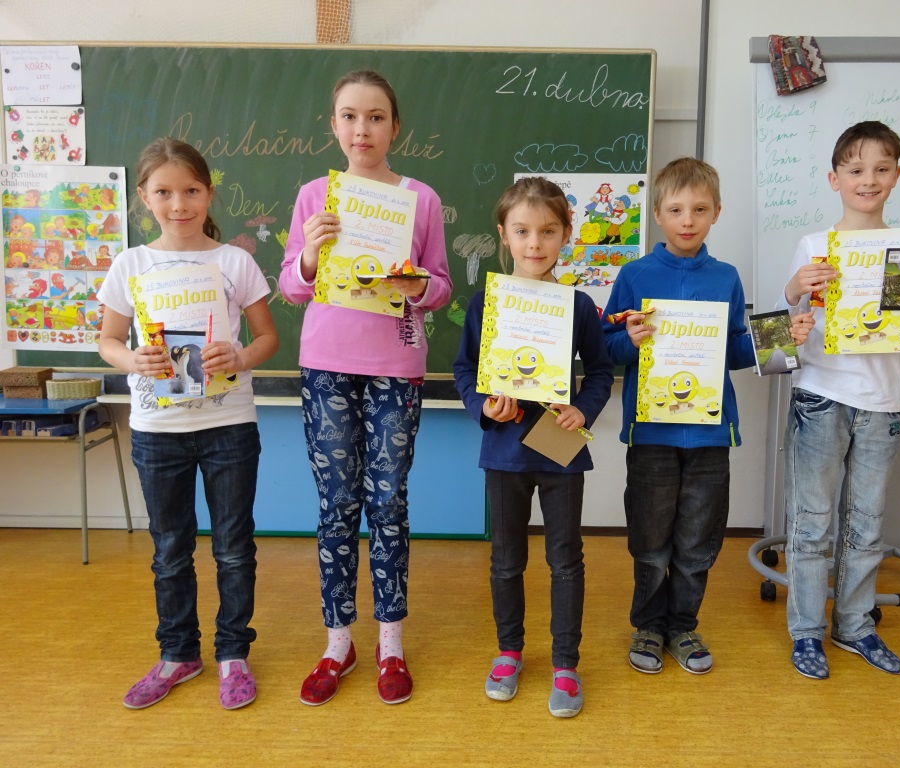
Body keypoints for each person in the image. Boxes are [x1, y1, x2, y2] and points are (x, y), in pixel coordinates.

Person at [279, 69, 452, 707]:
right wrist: (309, 255)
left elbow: (441, 285)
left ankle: (391, 643)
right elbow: (292, 287)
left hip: (395, 367)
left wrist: (418, 287)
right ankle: (337, 643)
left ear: (394, 127)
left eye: (375, 117)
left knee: (388, 503)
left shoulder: (420, 199)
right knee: (336, 506)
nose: (362, 129)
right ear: (334, 126)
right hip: (326, 365)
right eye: (350, 116)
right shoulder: (313, 197)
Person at [604, 157, 811, 677]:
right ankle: (648, 626)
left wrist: (781, 338)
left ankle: (682, 625)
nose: (688, 220)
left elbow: (736, 349)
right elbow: (606, 347)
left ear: (717, 212)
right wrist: (628, 340)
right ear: (657, 214)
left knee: (698, 541)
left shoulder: (725, 278)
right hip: (651, 433)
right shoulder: (634, 275)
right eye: (676, 210)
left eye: (699, 209)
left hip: (711, 435)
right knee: (650, 540)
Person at [98, 138, 279, 710]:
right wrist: (134, 360)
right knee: (170, 549)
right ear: (143, 197)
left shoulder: (235, 262)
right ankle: (178, 654)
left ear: (209, 193)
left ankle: (233, 654)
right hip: (157, 430)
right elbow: (108, 341)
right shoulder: (131, 264)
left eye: (191, 191)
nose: (179, 204)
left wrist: (239, 356)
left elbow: (268, 338)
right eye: (164, 192)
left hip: (229, 424)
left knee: (233, 547)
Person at [776, 121, 900, 680]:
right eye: (855, 169)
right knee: (811, 523)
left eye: (880, 169)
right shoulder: (814, 247)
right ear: (835, 179)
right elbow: (789, 328)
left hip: (882, 402)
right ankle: (806, 631)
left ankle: (854, 626)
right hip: (821, 397)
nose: (867, 179)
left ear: (896, 176)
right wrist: (794, 290)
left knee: (866, 525)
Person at [453, 177, 612, 718]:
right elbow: (465, 370)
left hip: (561, 449)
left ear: (566, 234)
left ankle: (566, 663)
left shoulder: (579, 306)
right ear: (504, 234)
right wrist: (483, 406)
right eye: (522, 231)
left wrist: (583, 409)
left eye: (547, 231)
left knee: (565, 559)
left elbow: (600, 371)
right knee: (506, 560)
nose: (535, 243)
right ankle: (509, 651)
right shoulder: (486, 303)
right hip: (504, 451)